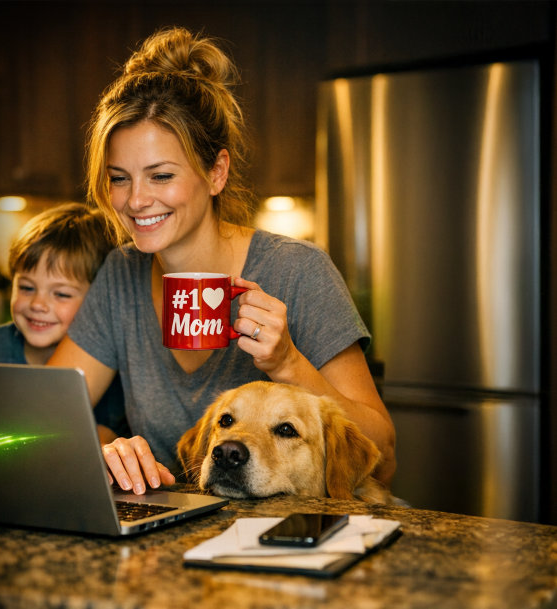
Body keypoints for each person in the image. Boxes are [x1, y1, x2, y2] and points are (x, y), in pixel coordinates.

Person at [48, 27, 396, 495]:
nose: (136, 200)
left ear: (216, 172)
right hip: (176, 536)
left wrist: (288, 362)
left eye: (161, 175)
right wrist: (103, 443)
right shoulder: (121, 273)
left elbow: (386, 460)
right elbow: (44, 416)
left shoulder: (297, 271)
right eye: (119, 178)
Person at [0, 202, 129, 441]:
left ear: (99, 302)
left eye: (61, 294)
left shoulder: (114, 378)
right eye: (27, 287)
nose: (38, 304)